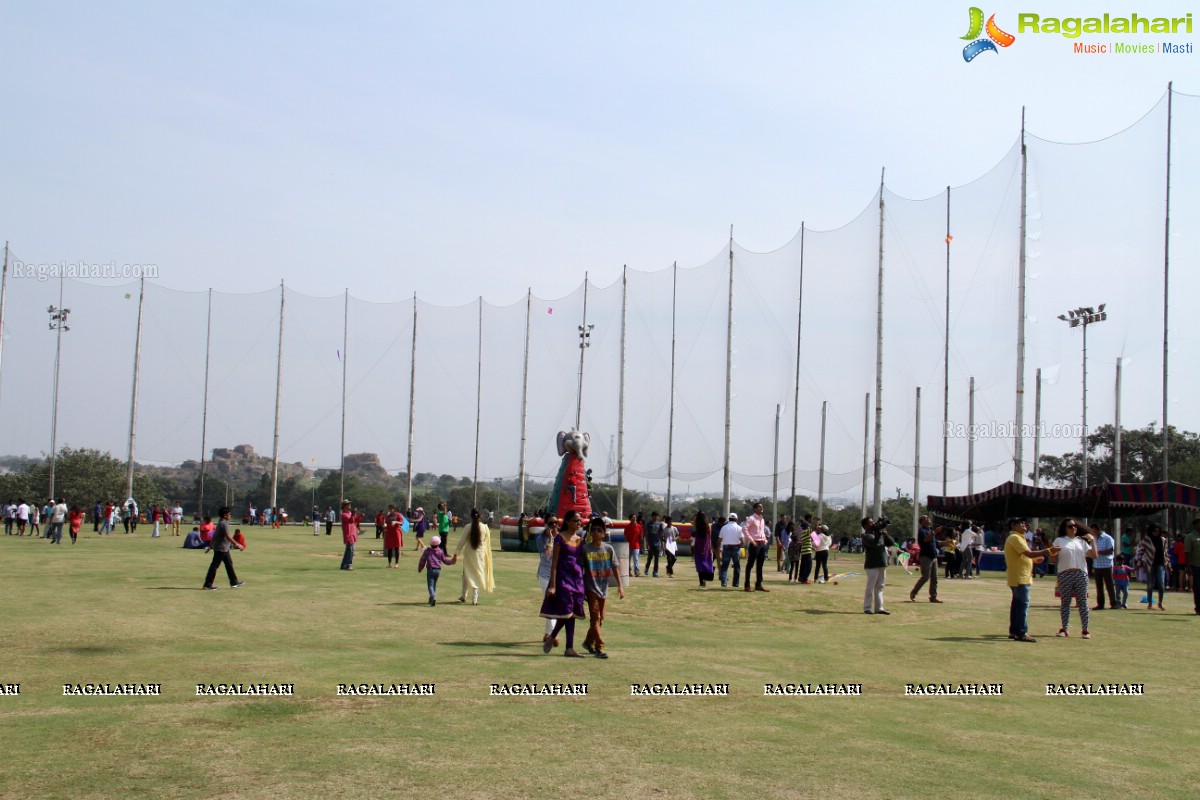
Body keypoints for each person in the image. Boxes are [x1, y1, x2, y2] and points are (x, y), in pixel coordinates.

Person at [540, 509, 587, 657]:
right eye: (576, 520)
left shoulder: (579, 540)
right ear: (568, 522)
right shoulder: (560, 538)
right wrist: (553, 585)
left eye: (580, 521)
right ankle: (555, 637)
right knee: (567, 612)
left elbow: (582, 561)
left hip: (577, 579)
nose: (579, 523)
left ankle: (569, 648)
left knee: (572, 614)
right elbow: (554, 564)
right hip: (563, 579)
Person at [1004, 517, 1057, 642]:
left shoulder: (1017, 538)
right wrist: (1048, 550)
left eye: (1024, 523)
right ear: (1013, 526)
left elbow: (1023, 556)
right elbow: (1028, 553)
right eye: (1021, 523)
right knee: (1022, 605)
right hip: (1020, 577)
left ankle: (1014, 631)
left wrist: (1033, 560)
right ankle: (1021, 632)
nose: (1024, 525)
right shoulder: (1015, 538)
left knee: (1017, 605)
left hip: (1019, 575)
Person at [581, 517, 625, 658]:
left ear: (604, 533)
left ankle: (588, 642)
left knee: (600, 619)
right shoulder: (585, 549)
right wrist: (580, 589)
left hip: (603, 587)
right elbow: (580, 569)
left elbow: (615, 567)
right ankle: (599, 647)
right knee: (595, 618)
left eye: (598, 530)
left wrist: (620, 586)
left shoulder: (608, 549)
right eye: (592, 530)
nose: (595, 532)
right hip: (591, 587)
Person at [1051, 519, 1098, 639]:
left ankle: (1085, 630)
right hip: (1065, 574)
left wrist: (1092, 541)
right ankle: (1064, 628)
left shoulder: (1081, 542)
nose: (1073, 528)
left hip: (1080, 574)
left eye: (1075, 526)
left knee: (1083, 602)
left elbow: (1094, 555)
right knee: (1065, 602)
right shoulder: (1059, 540)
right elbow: (1052, 559)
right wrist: (1052, 552)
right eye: (1070, 526)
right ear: (1065, 528)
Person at [455, 509, 495, 605]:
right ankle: (475, 599)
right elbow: (486, 542)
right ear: (480, 516)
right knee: (477, 574)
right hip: (481, 553)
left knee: (466, 573)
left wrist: (456, 553)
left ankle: (464, 595)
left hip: (470, 553)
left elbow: (462, 541)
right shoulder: (485, 527)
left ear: (471, 516)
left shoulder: (468, 527)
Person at [203, 506, 244, 590]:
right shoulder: (223, 524)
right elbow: (228, 536)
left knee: (229, 564)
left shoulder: (221, 522)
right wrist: (237, 545)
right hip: (221, 548)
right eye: (229, 514)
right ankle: (207, 584)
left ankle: (234, 582)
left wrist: (210, 545)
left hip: (224, 548)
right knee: (214, 566)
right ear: (225, 515)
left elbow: (214, 535)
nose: (230, 515)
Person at [861, 517, 895, 615]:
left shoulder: (878, 534)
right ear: (865, 526)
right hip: (872, 564)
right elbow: (873, 544)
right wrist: (878, 533)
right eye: (870, 523)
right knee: (870, 587)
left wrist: (885, 534)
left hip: (882, 562)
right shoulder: (866, 536)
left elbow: (892, 543)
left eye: (873, 522)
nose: (872, 524)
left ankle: (879, 607)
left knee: (880, 586)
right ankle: (867, 607)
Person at [537, 516, 561, 646]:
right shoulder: (541, 539)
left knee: (554, 604)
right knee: (551, 602)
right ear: (546, 524)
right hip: (545, 575)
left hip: (559, 576)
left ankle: (547, 633)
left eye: (556, 523)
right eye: (551, 523)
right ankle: (553, 635)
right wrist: (551, 540)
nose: (554, 525)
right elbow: (546, 557)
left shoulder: (563, 537)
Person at [909, 515, 942, 603]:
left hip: (933, 557)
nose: (928, 519)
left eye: (928, 518)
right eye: (925, 518)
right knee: (925, 577)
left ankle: (933, 597)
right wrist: (935, 532)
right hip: (926, 557)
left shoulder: (930, 530)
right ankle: (914, 592)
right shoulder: (922, 531)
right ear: (922, 522)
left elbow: (935, 542)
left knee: (935, 578)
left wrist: (946, 543)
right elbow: (926, 539)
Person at [1141, 523, 1170, 610]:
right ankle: (1149, 603)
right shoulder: (1147, 539)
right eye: (1154, 531)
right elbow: (1141, 551)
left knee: (1161, 583)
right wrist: (1139, 562)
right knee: (1150, 584)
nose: (1156, 533)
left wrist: (1169, 564)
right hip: (1150, 564)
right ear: (1151, 531)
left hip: (1161, 564)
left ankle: (1160, 602)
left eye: (1157, 531)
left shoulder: (1163, 540)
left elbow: (1166, 553)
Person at [742, 503, 770, 592]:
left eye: (762, 506)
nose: (761, 508)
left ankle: (759, 584)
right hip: (754, 543)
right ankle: (747, 585)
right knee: (750, 564)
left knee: (760, 565)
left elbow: (761, 531)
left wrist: (765, 540)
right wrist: (751, 540)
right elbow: (744, 529)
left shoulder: (762, 519)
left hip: (762, 544)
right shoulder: (751, 518)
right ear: (754, 509)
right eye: (759, 507)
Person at [1090, 523, 1118, 611]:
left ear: (1098, 529)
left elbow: (1111, 550)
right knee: (1099, 586)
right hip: (1097, 565)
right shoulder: (1093, 539)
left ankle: (1114, 603)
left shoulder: (1107, 538)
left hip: (1106, 565)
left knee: (1109, 585)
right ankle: (1100, 604)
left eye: (1093, 530)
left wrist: (1099, 552)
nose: (1092, 532)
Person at [418, 535, 451, 605]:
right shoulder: (441, 551)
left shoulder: (427, 551)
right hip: (438, 570)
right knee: (434, 584)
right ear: (439, 544)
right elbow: (445, 560)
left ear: (430, 543)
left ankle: (433, 596)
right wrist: (451, 562)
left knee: (430, 585)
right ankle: (431, 599)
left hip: (431, 569)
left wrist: (420, 568)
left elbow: (422, 560)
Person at [717, 513, 743, 588]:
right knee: (736, 566)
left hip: (726, 547)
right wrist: (739, 546)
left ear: (728, 519)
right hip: (736, 547)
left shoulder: (724, 528)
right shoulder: (739, 528)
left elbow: (719, 540)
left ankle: (724, 582)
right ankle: (735, 583)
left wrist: (719, 549)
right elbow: (742, 541)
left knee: (725, 566)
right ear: (737, 519)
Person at [691, 511, 714, 587]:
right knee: (706, 563)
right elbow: (709, 538)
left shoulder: (697, 525)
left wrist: (695, 514)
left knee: (699, 564)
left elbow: (690, 520)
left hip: (698, 547)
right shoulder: (708, 526)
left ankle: (701, 581)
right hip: (706, 548)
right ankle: (705, 578)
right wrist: (710, 547)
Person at [1184, 519, 1200, 616]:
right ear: (1194, 525)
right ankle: (1198, 607)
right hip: (1196, 565)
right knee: (1198, 587)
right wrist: (1188, 566)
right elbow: (1187, 553)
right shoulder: (1190, 537)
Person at [340, 501, 360, 571]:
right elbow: (350, 520)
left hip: (353, 533)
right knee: (351, 550)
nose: (349, 505)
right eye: (348, 504)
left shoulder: (350, 513)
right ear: (345, 506)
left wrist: (359, 516)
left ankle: (343, 565)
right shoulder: (344, 514)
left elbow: (354, 520)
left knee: (348, 550)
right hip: (348, 534)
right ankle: (349, 565)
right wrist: (353, 514)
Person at [644, 511, 664, 578]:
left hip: (657, 544)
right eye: (654, 516)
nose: (656, 517)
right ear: (652, 516)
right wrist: (647, 543)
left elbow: (660, 534)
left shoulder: (660, 524)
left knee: (657, 559)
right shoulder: (649, 524)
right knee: (650, 557)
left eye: (657, 516)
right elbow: (647, 534)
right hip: (651, 543)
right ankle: (647, 568)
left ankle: (655, 572)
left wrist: (661, 544)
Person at [624, 513, 643, 577]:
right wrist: (626, 545)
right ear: (629, 519)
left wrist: (641, 544)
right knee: (628, 559)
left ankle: (636, 571)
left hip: (636, 545)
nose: (634, 518)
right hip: (628, 546)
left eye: (635, 517)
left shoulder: (639, 526)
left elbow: (641, 536)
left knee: (636, 559)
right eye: (633, 517)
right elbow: (626, 536)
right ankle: (628, 572)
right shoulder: (627, 527)